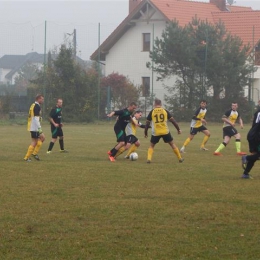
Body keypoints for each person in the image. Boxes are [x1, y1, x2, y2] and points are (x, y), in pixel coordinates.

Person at [144, 98, 184, 163]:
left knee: (151, 146)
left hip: (156, 132)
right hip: (165, 131)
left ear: (154, 104)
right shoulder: (165, 111)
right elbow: (173, 121)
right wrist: (178, 129)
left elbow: (147, 123)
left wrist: (145, 133)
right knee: (172, 144)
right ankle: (180, 158)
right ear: (161, 104)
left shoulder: (152, 111)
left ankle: (149, 159)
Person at [24, 94, 45, 162]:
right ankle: (27, 157)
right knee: (35, 141)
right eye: (42, 99)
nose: (43, 100)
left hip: (32, 126)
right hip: (35, 127)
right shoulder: (37, 106)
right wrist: (39, 129)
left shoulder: (33, 105)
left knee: (41, 139)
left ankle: (34, 154)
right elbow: (35, 118)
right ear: (38, 99)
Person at [241, 107, 260, 179]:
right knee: (257, 155)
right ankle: (246, 157)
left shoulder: (257, 112)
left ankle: (245, 174)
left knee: (254, 155)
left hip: (252, 135)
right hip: (256, 137)